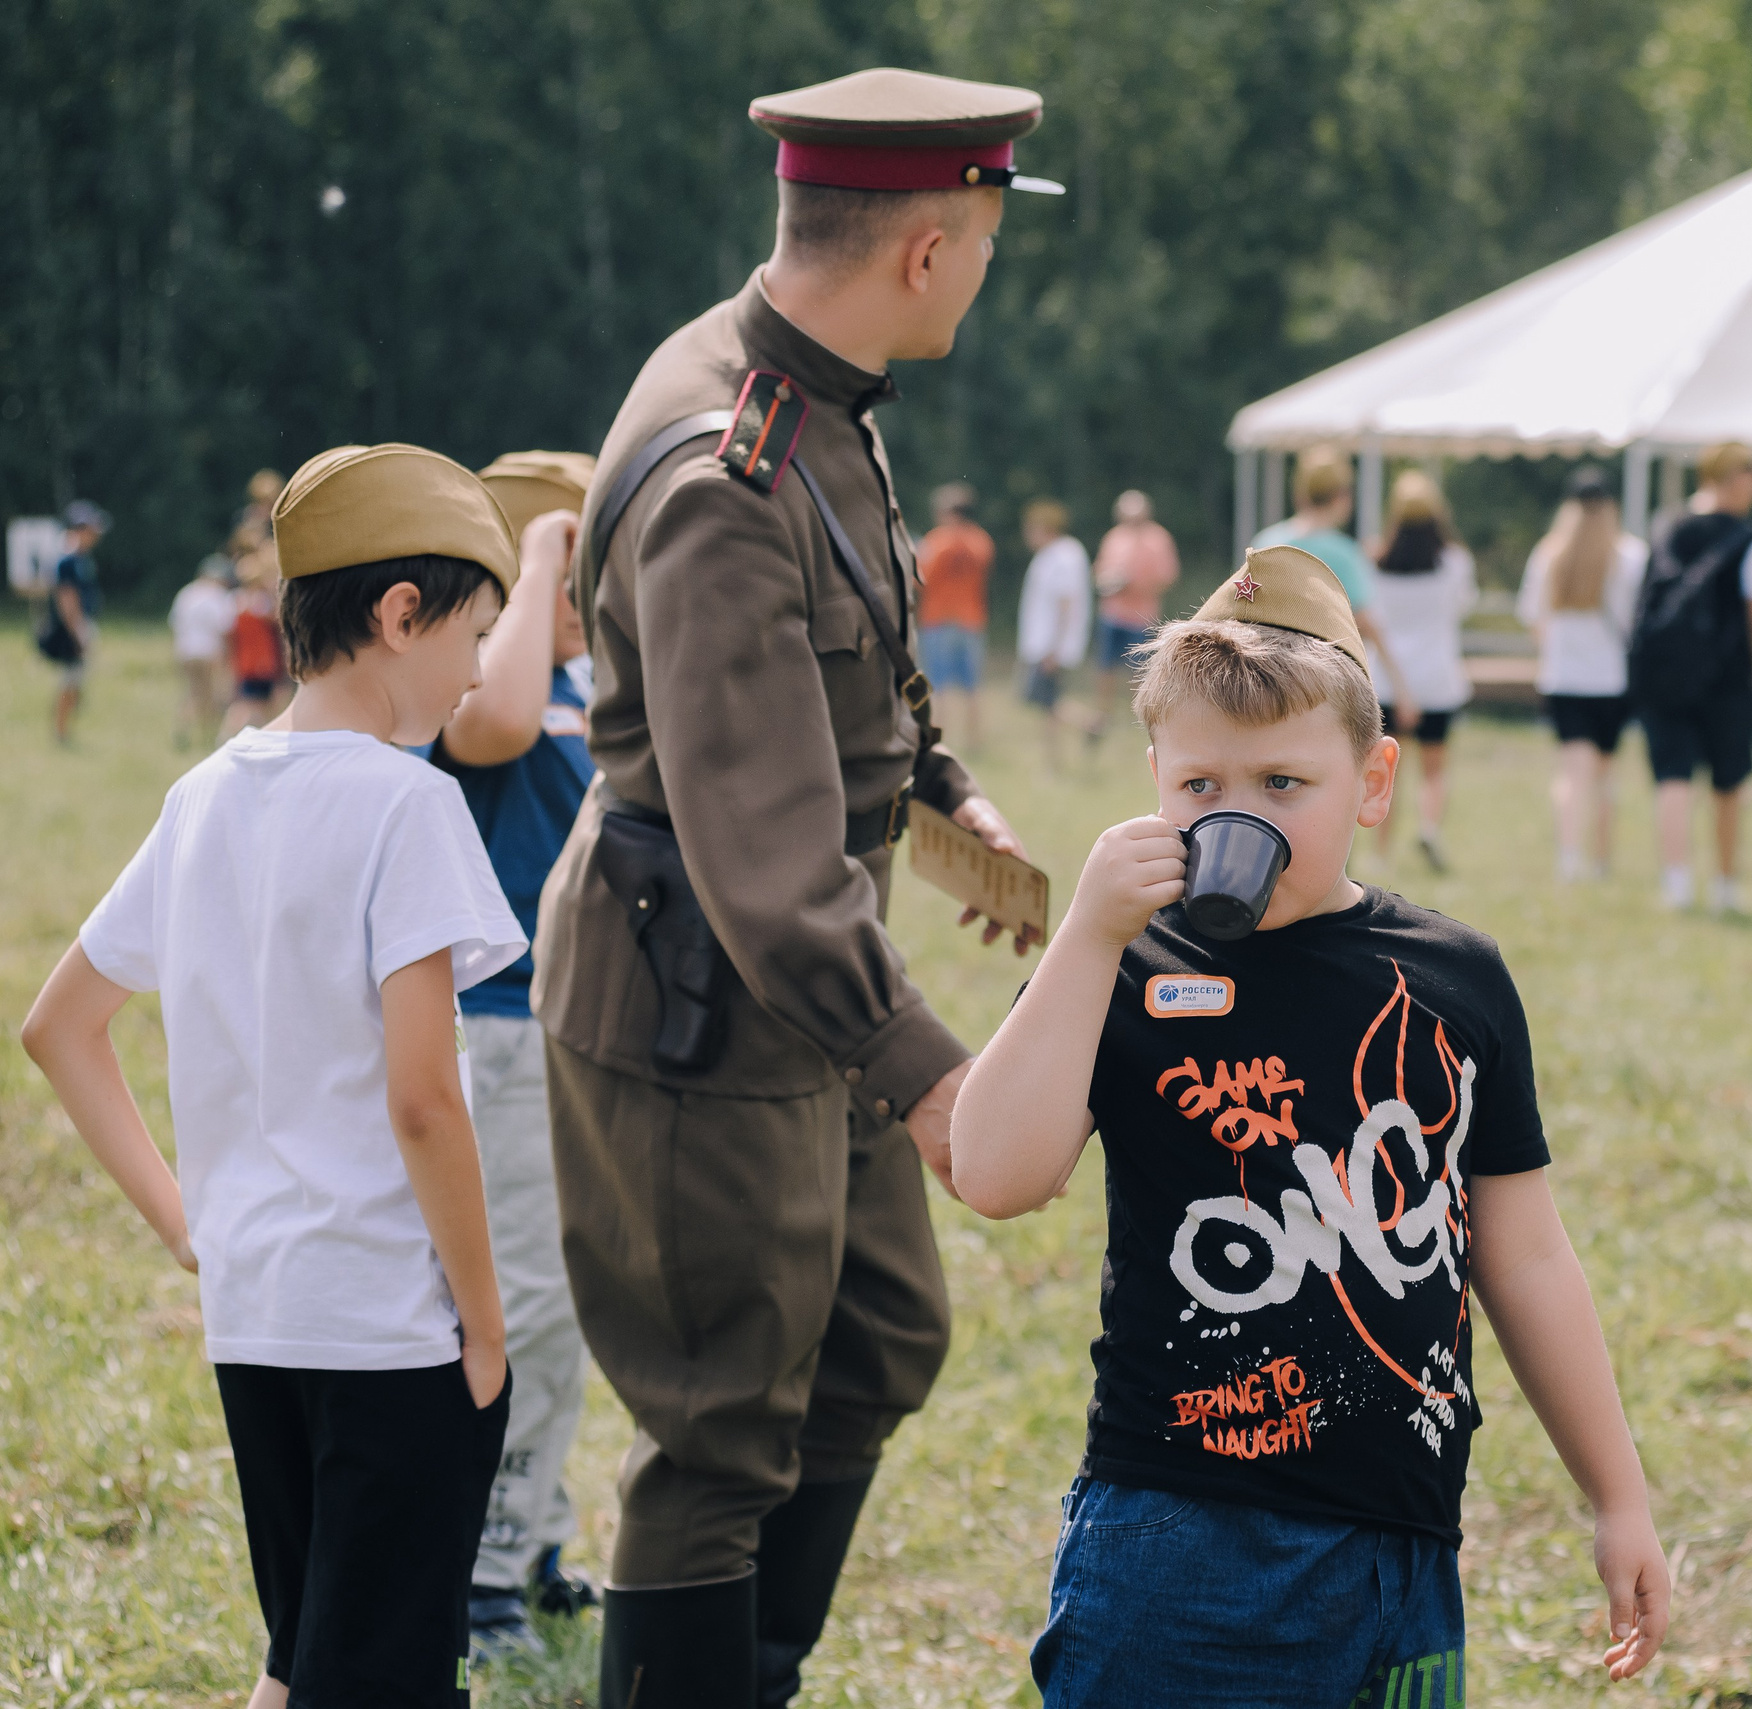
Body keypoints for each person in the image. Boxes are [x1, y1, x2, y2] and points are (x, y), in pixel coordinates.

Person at [533, 66, 1051, 1709]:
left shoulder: (816, 397)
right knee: (721, 1419)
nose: (983, 275)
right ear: (924, 251)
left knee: (880, 1333)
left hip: (798, 978)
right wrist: (939, 1085)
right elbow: (755, 855)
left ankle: (746, 1673)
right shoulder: (728, 471)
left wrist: (944, 790)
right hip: (700, 995)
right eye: (984, 245)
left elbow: (846, 669)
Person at [947, 543, 1670, 1705]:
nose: (1238, 814)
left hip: (1402, 1546)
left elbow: (1526, 1252)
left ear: (1373, 782)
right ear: (1154, 779)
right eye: (1201, 786)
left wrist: (1617, 1493)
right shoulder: (1125, 963)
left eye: (1283, 782)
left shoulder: (1453, 978)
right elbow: (992, 1172)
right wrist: (1085, 935)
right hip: (1176, 1537)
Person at [22, 442, 528, 1709]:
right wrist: (485, 1319)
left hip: (256, 1320)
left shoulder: (202, 795)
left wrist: (184, 1222)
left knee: (302, 1656)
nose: (480, 669)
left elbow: (61, 1026)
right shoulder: (408, 806)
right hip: (392, 1329)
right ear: (399, 612)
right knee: (384, 1673)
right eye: (476, 632)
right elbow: (424, 1099)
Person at [423, 452, 602, 1656]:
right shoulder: (479, 679)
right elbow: (493, 726)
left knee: (567, 1298)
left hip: (581, 1030)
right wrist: (536, 557)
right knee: (525, 1297)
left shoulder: (584, 684)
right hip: (500, 1028)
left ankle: (531, 1531)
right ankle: (481, 1567)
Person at [1630, 441, 1752, 914]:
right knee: (1729, 784)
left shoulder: (1665, 526)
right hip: (1728, 679)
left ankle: (1676, 883)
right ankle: (1725, 885)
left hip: (1664, 677)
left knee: (1672, 779)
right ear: (1739, 478)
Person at [1518, 465, 1646, 883]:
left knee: (1572, 774)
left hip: (1565, 679)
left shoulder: (1549, 554)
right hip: (1611, 681)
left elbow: (1533, 619)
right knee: (1605, 777)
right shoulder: (1630, 556)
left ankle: (1569, 858)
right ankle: (1601, 859)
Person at [1250, 446, 1418, 723]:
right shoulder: (1344, 553)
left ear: (1300, 493)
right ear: (1342, 497)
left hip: (1266, 677)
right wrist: (1401, 688)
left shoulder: (1266, 542)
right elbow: (1366, 622)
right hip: (1321, 686)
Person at [1363, 469, 1475, 871]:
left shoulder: (1374, 559)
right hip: (1437, 679)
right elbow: (1462, 606)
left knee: (1386, 770)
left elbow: (1369, 615)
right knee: (1434, 767)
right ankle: (1429, 828)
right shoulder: (1454, 562)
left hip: (1387, 680)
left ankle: (1382, 852)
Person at [1090, 487, 1181, 739]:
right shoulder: (1114, 537)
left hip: (1141, 616)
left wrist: (1134, 587)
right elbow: (1100, 569)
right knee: (1105, 667)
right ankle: (1104, 714)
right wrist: (1107, 581)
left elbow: (1167, 578)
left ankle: (1141, 718)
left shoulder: (1158, 539)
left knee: (1140, 671)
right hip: (1112, 613)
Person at [918, 481, 995, 750]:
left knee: (938, 685)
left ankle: (939, 740)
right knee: (972, 686)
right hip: (971, 620)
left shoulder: (935, 541)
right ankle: (974, 741)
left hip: (939, 620)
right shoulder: (982, 541)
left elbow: (920, 579)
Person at [1018, 498, 1092, 766]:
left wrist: (1054, 648)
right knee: (1046, 701)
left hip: (1051, 647)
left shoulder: (1063, 556)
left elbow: (1065, 603)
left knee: (1049, 702)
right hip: (1045, 645)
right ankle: (1088, 725)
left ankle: (1054, 758)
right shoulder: (1051, 555)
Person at [38, 499, 108, 746]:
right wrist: (78, 631)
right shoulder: (67, 559)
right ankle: (60, 731)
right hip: (70, 629)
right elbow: (67, 598)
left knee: (76, 681)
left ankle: (64, 728)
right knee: (70, 681)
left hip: (80, 624)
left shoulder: (79, 557)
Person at [225, 529, 291, 738]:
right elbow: (278, 623)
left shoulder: (236, 602)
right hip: (263, 661)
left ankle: (234, 735)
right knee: (262, 706)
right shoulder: (260, 605)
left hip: (245, 661)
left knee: (249, 703)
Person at [170, 553, 236, 749]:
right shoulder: (218, 596)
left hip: (185, 651)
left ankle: (184, 729)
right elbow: (224, 628)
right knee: (211, 696)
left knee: (192, 693)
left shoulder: (186, 593)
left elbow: (175, 623)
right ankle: (208, 737)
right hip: (210, 652)